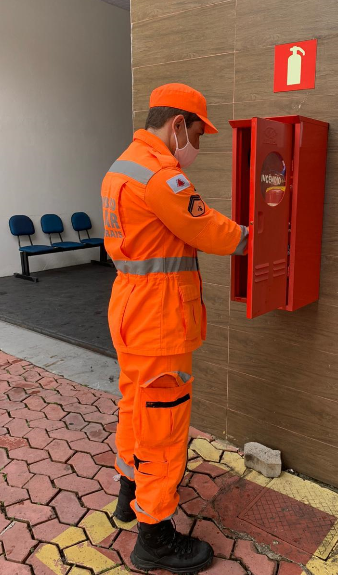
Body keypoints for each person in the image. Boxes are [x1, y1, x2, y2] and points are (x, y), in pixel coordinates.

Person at [100, 83, 248, 574]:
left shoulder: (122, 165)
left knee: (135, 406)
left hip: (129, 308)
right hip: (160, 319)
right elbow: (206, 229)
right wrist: (253, 236)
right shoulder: (161, 175)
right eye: (197, 135)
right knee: (164, 423)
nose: (196, 148)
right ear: (177, 124)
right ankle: (155, 537)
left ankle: (128, 495)